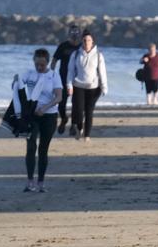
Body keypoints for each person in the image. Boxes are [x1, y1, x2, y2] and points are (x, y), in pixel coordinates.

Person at [18, 48, 63, 192]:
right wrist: (15, 82)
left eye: (42, 65)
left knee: (43, 149)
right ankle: (30, 181)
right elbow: (18, 85)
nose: (39, 67)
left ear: (47, 63)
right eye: (37, 64)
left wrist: (44, 108)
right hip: (32, 116)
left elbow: (59, 97)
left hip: (49, 115)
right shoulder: (29, 74)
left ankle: (41, 182)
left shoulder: (54, 75)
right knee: (31, 147)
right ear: (34, 61)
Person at [67, 30, 108, 141]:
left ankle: (87, 135)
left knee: (89, 111)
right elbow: (70, 71)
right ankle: (79, 128)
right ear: (82, 41)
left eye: (89, 40)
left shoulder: (98, 55)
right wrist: (69, 85)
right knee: (79, 111)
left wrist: (104, 87)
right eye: (84, 40)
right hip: (78, 86)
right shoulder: (75, 54)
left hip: (93, 88)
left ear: (92, 41)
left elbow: (102, 72)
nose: (86, 42)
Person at [53, 25, 82, 135]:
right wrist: (50, 75)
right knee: (61, 103)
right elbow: (54, 60)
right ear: (69, 33)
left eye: (77, 32)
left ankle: (74, 125)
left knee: (77, 104)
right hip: (63, 79)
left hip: (78, 80)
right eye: (72, 32)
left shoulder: (81, 47)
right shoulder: (63, 46)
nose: (74, 34)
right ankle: (64, 119)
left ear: (80, 34)